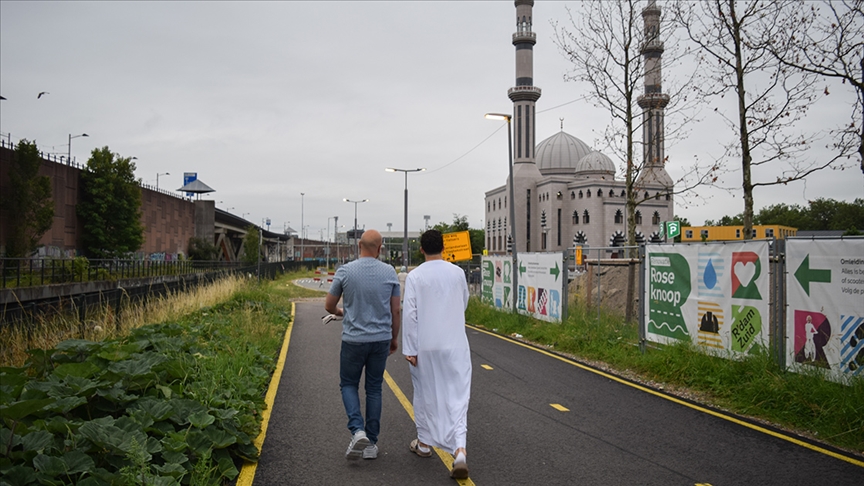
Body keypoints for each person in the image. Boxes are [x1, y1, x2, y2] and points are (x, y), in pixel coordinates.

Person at [325, 229, 401, 461]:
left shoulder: (345, 271)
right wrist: (394, 338)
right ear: (380, 248)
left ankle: (357, 430)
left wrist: (342, 312)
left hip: (354, 340)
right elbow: (395, 310)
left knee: (349, 384)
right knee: (374, 388)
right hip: (380, 339)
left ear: (359, 245)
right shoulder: (390, 272)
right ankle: (371, 444)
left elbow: (329, 305)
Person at [402, 230, 472, 479]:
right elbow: (464, 302)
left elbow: (410, 313)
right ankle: (459, 451)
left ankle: (423, 443)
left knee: (424, 394)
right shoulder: (458, 273)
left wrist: (410, 348)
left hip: (426, 345)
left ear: (421, 249)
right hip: (455, 345)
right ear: (444, 248)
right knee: (458, 397)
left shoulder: (415, 276)